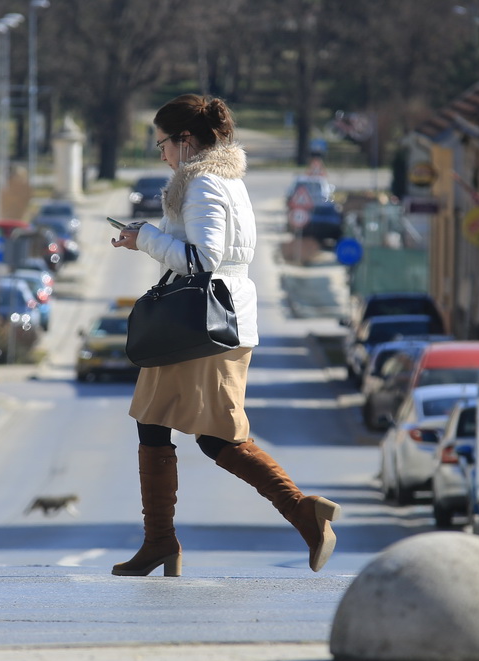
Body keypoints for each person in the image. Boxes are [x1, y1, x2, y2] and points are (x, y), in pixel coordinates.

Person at [110, 94, 341, 577]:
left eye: (163, 145)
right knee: (156, 424)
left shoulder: (205, 185)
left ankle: (303, 511)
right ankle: (160, 542)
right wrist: (146, 237)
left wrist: (146, 237)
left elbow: (202, 261)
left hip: (206, 327)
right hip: (202, 325)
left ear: (186, 140)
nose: (162, 155)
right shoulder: (218, 181)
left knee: (217, 438)